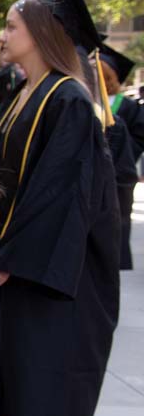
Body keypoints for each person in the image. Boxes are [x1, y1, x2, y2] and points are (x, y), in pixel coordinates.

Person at [0, 0, 119, 416]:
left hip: (56, 274)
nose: (2, 35)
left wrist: (9, 258)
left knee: (42, 382)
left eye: (12, 26)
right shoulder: (29, 94)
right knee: (8, 380)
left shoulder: (67, 103)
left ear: (41, 32)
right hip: (20, 263)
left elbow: (59, 196)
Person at [94, 43, 142, 268]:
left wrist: (121, 152)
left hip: (119, 171)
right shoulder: (88, 103)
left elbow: (139, 135)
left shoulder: (128, 106)